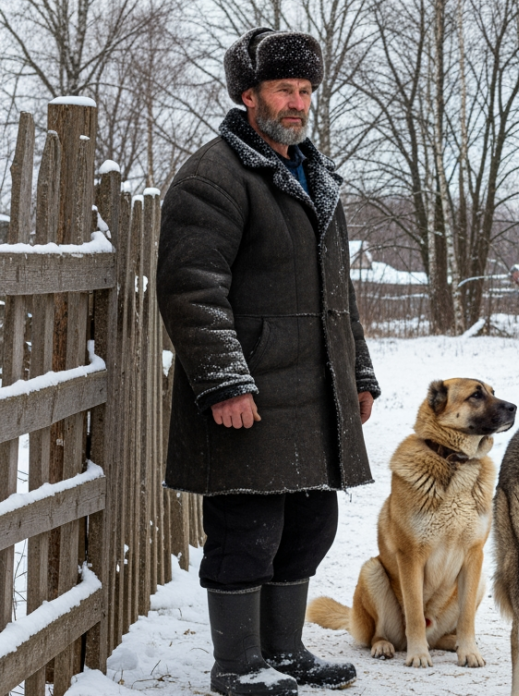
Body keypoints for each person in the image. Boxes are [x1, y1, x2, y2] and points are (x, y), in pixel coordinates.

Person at [156, 27, 379, 696]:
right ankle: (237, 665)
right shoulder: (213, 177)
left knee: (311, 524)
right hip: (249, 390)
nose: (297, 102)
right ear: (248, 94)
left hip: (314, 390)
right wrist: (224, 380)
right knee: (248, 530)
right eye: (284, 88)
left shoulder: (316, 174)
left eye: (306, 90)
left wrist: (359, 372)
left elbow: (338, 293)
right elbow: (191, 288)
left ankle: (284, 653)